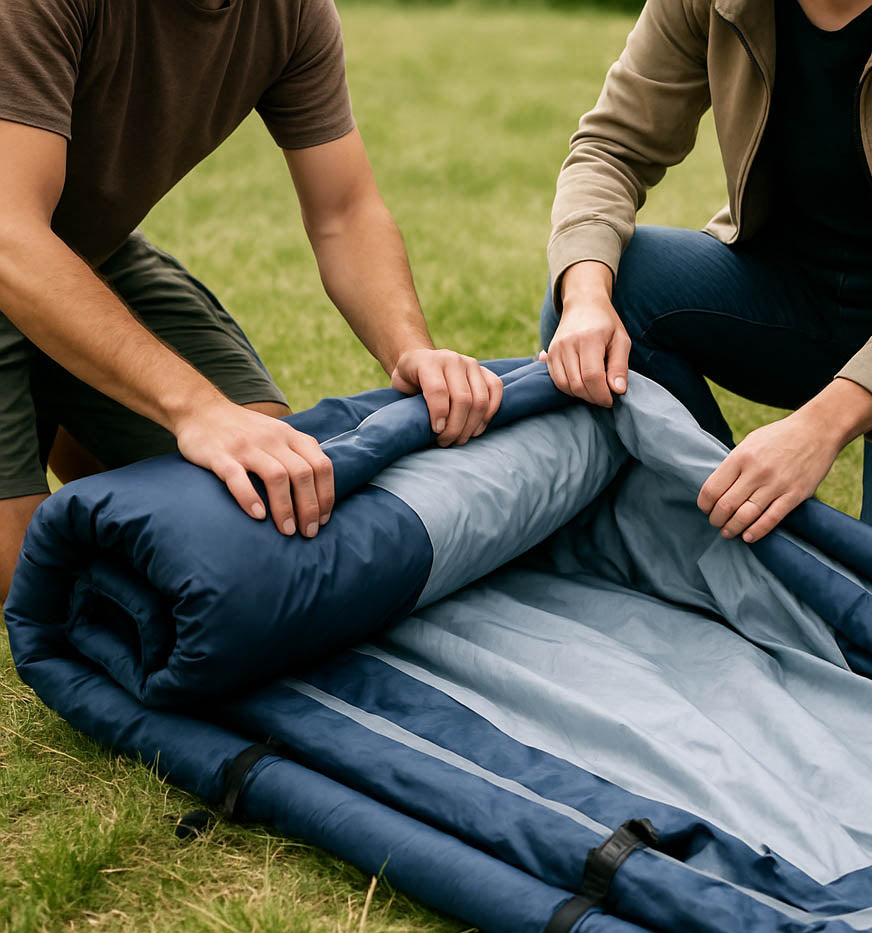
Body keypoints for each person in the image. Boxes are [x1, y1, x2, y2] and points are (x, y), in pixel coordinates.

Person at [0, 0, 503, 603]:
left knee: (268, 491)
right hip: (15, 239)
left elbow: (344, 212)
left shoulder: (292, 12)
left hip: (84, 251)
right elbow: (10, 233)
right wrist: (195, 409)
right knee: (36, 583)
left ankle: (53, 388)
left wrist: (409, 349)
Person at [540, 0, 872, 583]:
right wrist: (583, 301)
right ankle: (711, 538)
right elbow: (610, 148)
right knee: (605, 280)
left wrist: (818, 428)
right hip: (790, 296)